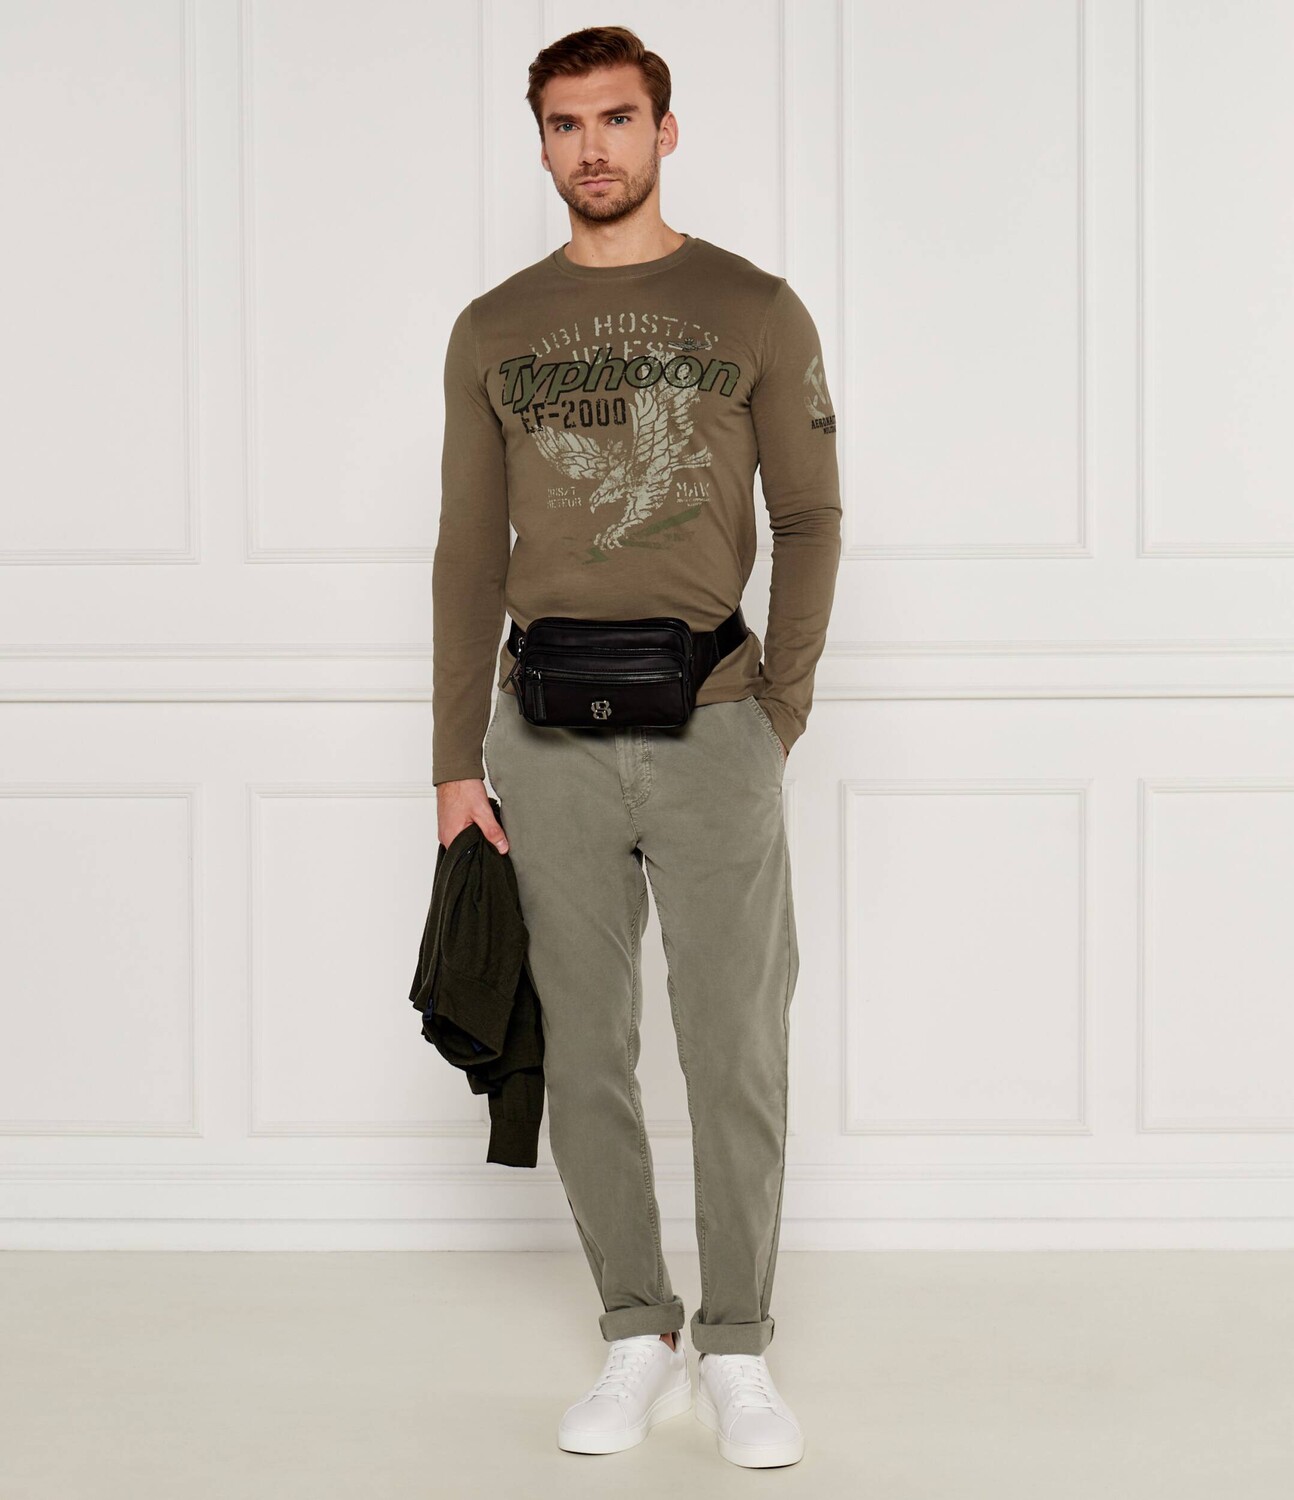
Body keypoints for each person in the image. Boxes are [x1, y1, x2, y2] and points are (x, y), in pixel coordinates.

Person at [431, 24, 840, 1470]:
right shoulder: (493, 328)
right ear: (540, 141)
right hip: (540, 739)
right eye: (564, 123)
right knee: (585, 1047)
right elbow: (467, 553)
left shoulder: (753, 306)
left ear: (666, 130)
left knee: (734, 1046)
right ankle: (634, 1328)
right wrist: (454, 760)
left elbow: (809, 517)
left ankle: (735, 1346)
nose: (590, 146)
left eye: (615, 118)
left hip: (714, 723)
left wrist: (779, 709)